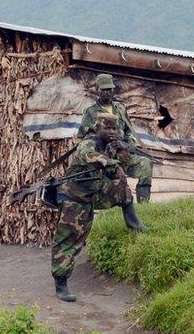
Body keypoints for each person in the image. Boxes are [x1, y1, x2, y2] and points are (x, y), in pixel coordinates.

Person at [53, 114, 145, 303]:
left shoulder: (110, 146)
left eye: (113, 129)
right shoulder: (89, 143)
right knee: (70, 240)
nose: (111, 132)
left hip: (93, 193)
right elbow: (90, 156)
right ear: (97, 128)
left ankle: (135, 226)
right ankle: (61, 284)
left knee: (122, 190)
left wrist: (122, 153)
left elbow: (117, 170)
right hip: (74, 197)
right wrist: (112, 163)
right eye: (107, 128)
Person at [77, 73, 154, 202]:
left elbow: (128, 132)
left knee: (146, 163)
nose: (107, 93)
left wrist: (126, 145)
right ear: (97, 90)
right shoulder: (90, 111)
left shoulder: (120, 108)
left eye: (109, 89)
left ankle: (144, 204)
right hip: (104, 156)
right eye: (104, 90)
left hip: (122, 153)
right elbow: (81, 137)